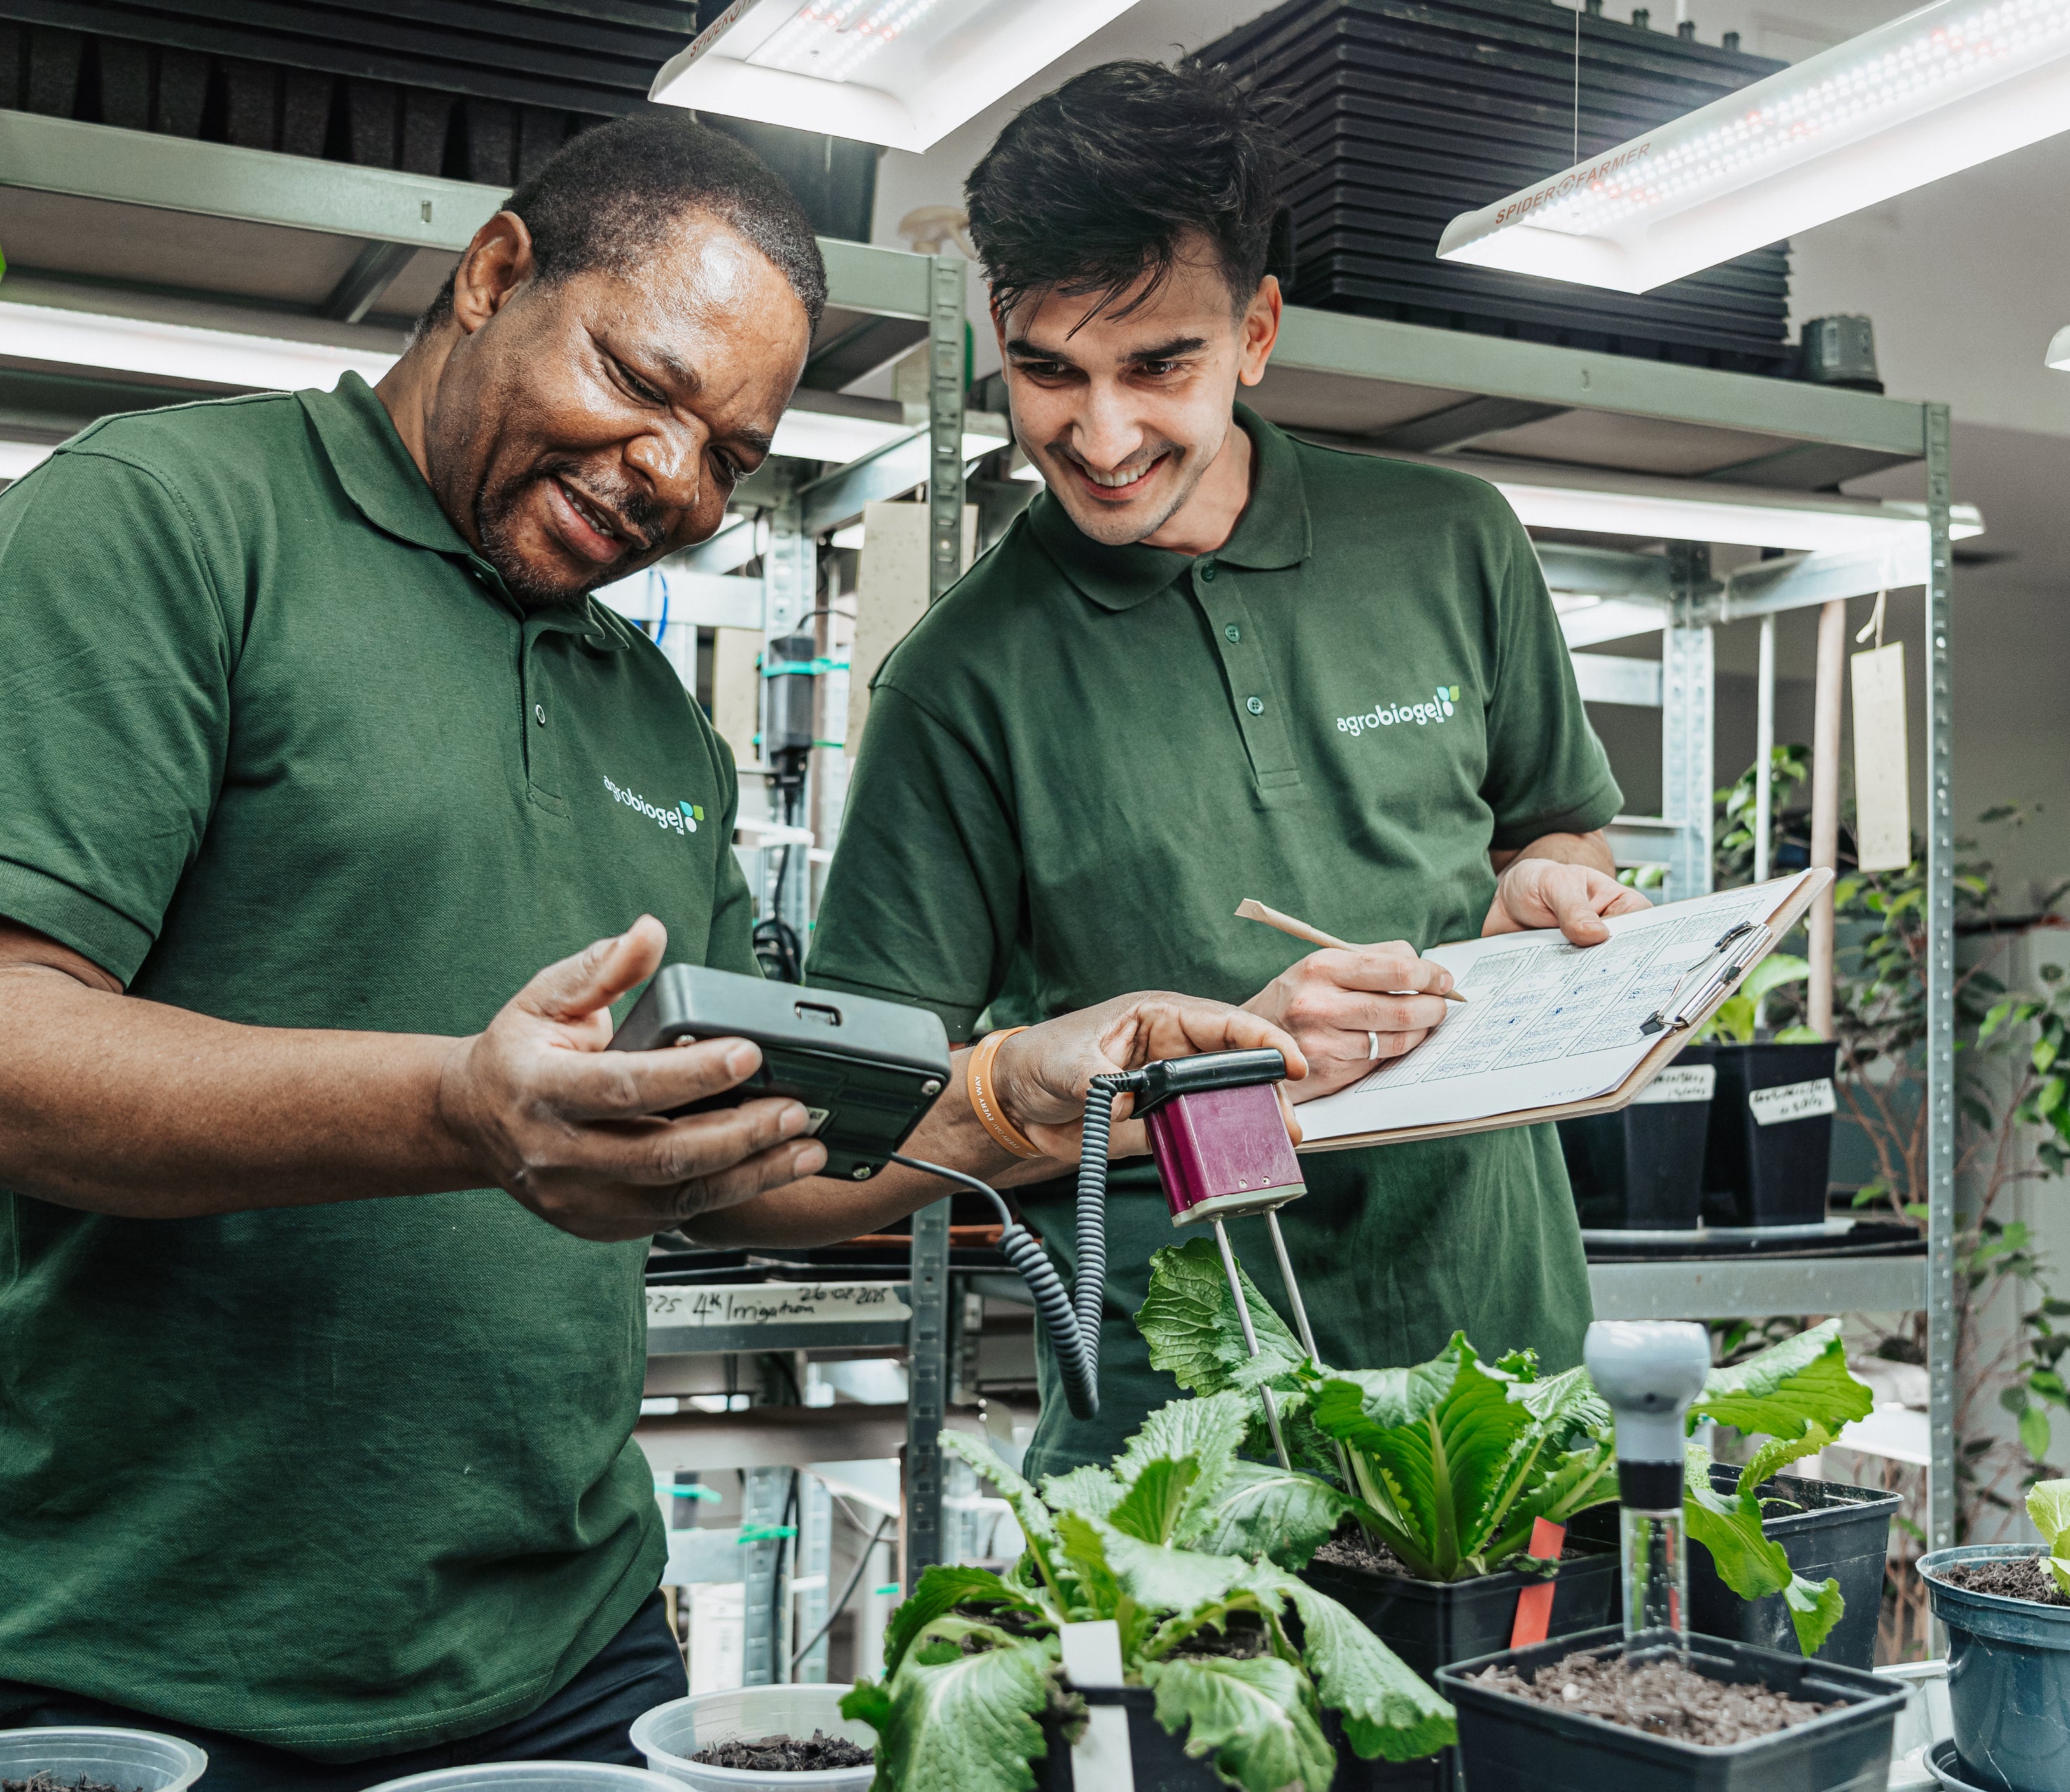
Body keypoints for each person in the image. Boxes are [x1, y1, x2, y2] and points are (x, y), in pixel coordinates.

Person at [0, 116, 1297, 1792]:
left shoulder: (656, 721)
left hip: (567, 1636)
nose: (671, 476)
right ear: (493, 275)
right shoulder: (163, 525)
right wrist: (465, 1109)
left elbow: (735, 1165)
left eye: (730, 453)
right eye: (639, 379)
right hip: (136, 1644)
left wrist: (1015, 1093)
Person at [697, 62, 1651, 1477]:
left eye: (1158, 366)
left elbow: (1556, 836)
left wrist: (1546, 904)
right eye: (1046, 369)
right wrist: (1180, 1077)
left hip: (1503, 1375)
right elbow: (853, 1144)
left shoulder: (1454, 539)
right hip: (1184, 1433)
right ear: (995, 340)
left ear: (1255, 332)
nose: (1100, 435)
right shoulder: (960, 683)